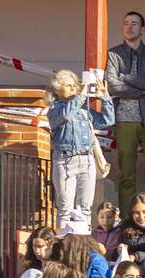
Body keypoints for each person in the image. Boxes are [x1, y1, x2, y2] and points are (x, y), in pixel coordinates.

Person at [106, 10, 145, 210]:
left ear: (143, 29)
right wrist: (142, 90)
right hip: (124, 120)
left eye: (134, 23)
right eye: (126, 23)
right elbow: (112, 86)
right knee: (126, 174)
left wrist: (128, 79)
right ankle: (126, 220)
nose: (129, 26)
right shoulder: (113, 54)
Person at [47, 69, 113, 222]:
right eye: (68, 86)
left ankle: (81, 244)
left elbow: (107, 121)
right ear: (57, 89)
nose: (73, 88)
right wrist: (82, 95)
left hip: (87, 160)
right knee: (65, 208)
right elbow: (65, 115)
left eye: (74, 86)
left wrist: (105, 97)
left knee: (85, 208)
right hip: (65, 161)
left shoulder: (83, 110)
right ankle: (65, 245)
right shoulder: (55, 108)